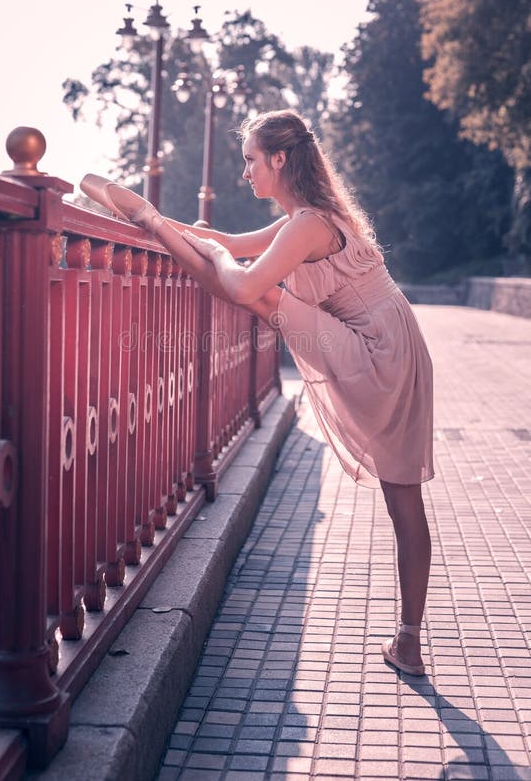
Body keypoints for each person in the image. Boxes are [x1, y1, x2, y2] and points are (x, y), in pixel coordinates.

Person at [80, 108, 434, 676]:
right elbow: (227, 241)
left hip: (378, 350)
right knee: (403, 497)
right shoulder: (305, 217)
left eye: (250, 160)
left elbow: (239, 277)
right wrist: (162, 222)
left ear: (280, 159)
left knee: (260, 298)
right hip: (395, 344)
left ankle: (411, 639)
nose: (246, 172)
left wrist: (167, 230)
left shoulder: (308, 224)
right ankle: (409, 641)